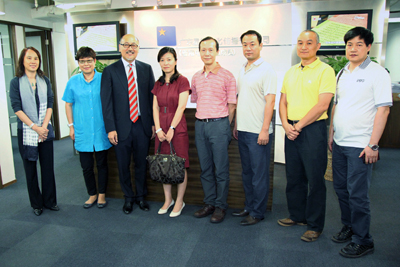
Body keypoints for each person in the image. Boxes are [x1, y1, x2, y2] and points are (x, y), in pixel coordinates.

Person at [328, 27, 392, 258]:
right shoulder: (342, 72)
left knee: (357, 194)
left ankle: (364, 240)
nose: (352, 49)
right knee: (341, 190)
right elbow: (337, 105)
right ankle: (350, 226)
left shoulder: (378, 73)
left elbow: (383, 110)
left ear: (368, 47)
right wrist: (331, 133)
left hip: (361, 145)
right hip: (340, 141)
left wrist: (373, 144)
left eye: (358, 44)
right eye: (349, 44)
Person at [278, 30, 336, 242]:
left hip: (312, 130)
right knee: (293, 176)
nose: (303, 47)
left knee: (315, 179)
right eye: (300, 43)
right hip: (291, 129)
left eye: (309, 43)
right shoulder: (291, 71)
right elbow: (283, 101)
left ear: (317, 46)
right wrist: (285, 124)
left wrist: (299, 126)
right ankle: (297, 216)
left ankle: (314, 225)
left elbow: (323, 105)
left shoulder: (325, 71)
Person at [101, 34, 155, 214]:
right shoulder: (110, 71)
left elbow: (151, 99)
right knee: (123, 165)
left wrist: (154, 124)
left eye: (134, 45)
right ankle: (128, 198)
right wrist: (110, 128)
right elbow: (106, 103)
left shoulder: (146, 69)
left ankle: (141, 197)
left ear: (138, 48)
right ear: (120, 47)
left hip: (142, 125)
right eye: (126, 45)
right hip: (120, 127)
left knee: (141, 164)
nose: (130, 48)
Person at [232, 30, 277, 226]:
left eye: (252, 44)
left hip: (258, 132)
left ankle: (258, 212)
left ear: (260, 46)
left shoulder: (267, 70)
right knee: (247, 173)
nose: (248, 48)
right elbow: (241, 99)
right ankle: (249, 206)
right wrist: (236, 124)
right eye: (244, 44)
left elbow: (270, 102)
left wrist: (265, 129)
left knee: (259, 175)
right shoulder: (243, 68)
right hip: (243, 130)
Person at [191, 36, 237, 223]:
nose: (207, 53)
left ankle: (220, 206)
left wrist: (225, 127)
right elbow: (196, 101)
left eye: (210, 49)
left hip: (219, 125)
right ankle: (209, 203)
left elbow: (232, 105)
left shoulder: (228, 75)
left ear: (217, 51)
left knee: (221, 170)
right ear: (200, 52)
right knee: (205, 168)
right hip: (200, 125)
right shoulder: (196, 77)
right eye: (203, 49)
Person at [9, 47, 58, 216]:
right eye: (29, 58)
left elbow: (50, 103)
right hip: (27, 131)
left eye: (36, 58)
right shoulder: (16, 82)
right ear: (22, 61)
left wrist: (43, 127)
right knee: (30, 170)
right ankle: (36, 204)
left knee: (47, 168)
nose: (33, 61)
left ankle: (50, 201)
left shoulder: (45, 80)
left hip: (45, 129)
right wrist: (34, 127)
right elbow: (17, 108)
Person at [63, 47, 112, 209]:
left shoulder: (104, 78)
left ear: (95, 61)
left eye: (89, 61)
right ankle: (92, 194)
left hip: (101, 129)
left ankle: (102, 194)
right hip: (82, 130)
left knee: (102, 164)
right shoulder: (73, 82)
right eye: (82, 61)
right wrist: (71, 126)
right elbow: (68, 104)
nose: (86, 64)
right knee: (86, 166)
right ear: (78, 63)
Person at [152, 47, 190, 218]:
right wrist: (159, 128)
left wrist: (172, 128)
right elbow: (155, 106)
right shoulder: (158, 82)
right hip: (161, 126)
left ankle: (180, 201)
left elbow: (181, 106)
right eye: (162, 60)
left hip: (177, 127)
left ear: (175, 61)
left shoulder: (182, 81)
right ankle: (168, 200)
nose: (165, 63)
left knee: (179, 165)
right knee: (163, 164)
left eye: (169, 59)